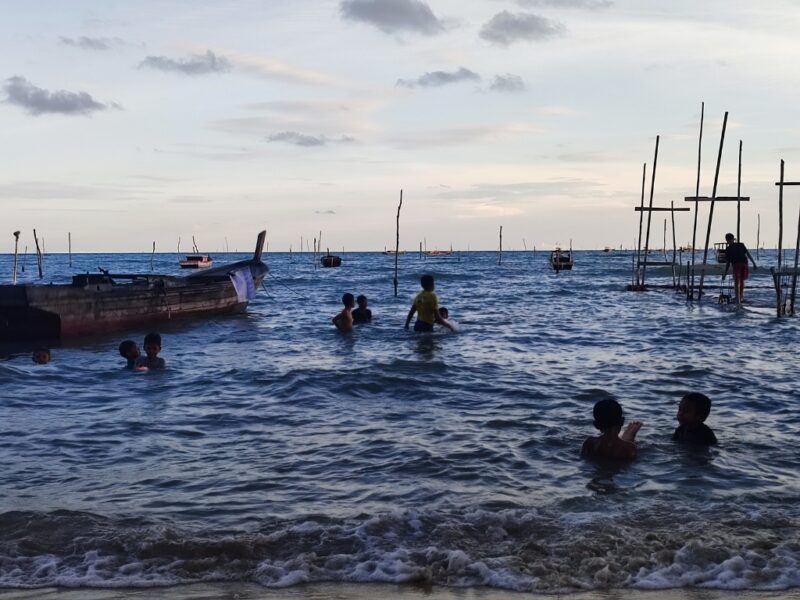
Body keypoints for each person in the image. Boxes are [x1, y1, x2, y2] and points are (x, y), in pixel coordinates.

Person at [722, 233, 757, 305]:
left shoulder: (728, 248)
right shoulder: (741, 244)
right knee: (741, 280)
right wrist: (754, 263)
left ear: (727, 240)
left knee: (737, 282)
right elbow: (748, 254)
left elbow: (728, 262)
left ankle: (738, 300)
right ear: (733, 238)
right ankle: (740, 297)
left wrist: (725, 274)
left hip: (736, 264)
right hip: (744, 263)